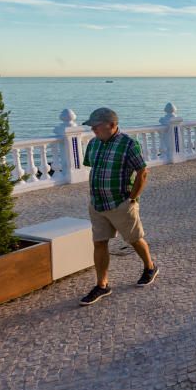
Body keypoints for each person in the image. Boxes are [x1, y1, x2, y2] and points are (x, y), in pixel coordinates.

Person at [79, 108, 158, 307]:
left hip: (120, 202)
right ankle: (102, 285)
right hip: (97, 203)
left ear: (112, 125)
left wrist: (132, 199)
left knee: (134, 239)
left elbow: (143, 172)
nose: (93, 129)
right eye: (92, 126)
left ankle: (150, 267)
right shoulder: (94, 143)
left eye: (97, 126)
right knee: (99, 243)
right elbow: (94, 167)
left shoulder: (129, 144)